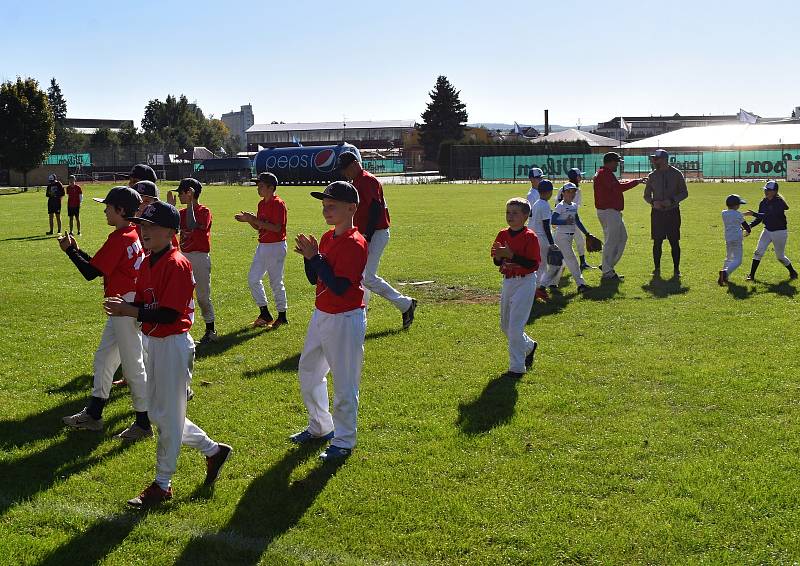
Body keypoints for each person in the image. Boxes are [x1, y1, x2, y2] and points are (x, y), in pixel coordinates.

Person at [103, 200, 232, 507]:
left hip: (172, 344)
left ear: (170, 232)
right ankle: (214, 451)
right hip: (155, 341)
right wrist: (132, 307)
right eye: (142, 226)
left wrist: (129, 309)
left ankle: (162, 484)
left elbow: (170, 313)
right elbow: (151, 305)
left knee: (169, 419)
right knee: (161, 414)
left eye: (151, 227)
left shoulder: (176, 263)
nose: (143, 231)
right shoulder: (150, 260)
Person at [57, 186, 151, 440]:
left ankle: (143, 423)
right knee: (104, 359)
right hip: (124, 303)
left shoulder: (121, 237)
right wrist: (76, 251)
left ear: (121, 210)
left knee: (133, 366)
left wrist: (69, 251)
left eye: (109, 207)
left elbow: (90, 273)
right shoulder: (131, 233)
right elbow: (100, 267)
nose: (105, 210)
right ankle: (94, 414)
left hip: (125, 306)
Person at [290, 181, 369, 462]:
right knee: (309, 372)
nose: (326, 210)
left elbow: (339, 286)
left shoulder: (356, 243)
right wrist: (308, 259)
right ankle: (321, 427)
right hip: (321, 314)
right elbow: (316, 278)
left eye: (332, 205)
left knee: (345, 383)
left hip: (345, 318)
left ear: (352, 208)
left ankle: (344, 441)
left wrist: (316, 258)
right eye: (324, 205)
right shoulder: (327, 238)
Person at [337, 151, 417, 329]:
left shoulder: (366, 180)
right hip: (368, 232)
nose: (344, 173)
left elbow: (375, 208)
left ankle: (405, 304)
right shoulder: (358, 181)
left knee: (367, 277)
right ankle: (360, 315)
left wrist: (367, 235)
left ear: (354, 164)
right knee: (361, 275)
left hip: (376, 233)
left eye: (345, 169)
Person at [491, 197, 541, 378]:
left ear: (526, 216)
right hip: (508, 281)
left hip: (525, 281)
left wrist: (511, 255)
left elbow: (532, 264)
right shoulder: (502, 234)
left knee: (515, 326)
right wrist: (499, 256)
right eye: (508, 213)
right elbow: (497, 262)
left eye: (515, 213)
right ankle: (529, 346)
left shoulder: (530, 237)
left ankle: (517, 367)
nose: (510, 216)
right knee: (505, 326)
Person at [235, 172, 288, 329]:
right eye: (258, 186)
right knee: (253, 279)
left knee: (275, 282)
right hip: (263, 245)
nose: (258, 188)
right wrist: (249, 221)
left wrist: (254, 220)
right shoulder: (261, 204)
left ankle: (282, 316)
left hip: (276, 246)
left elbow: (277, 228)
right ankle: (265, 313)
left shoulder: (278, 204)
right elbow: (259, 227)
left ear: (271, 188)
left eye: (262, 186)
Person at [168, 178, 217, 345]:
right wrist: (170, 209)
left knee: (203, 297)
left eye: (181, 193)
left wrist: (189, 203)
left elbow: (192, 223)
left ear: (190, 193)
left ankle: (211, 329)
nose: (179, 196)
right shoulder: (180, 212)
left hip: (200, 257)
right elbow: (169, 230)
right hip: (184, 257)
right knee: (181, 295)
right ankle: (182, 331)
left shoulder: (204, 211)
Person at [593, 152, 648, 281]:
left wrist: (636, 181)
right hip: (609, 211)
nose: (617, 164)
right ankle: (607, 271)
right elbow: (618, 188)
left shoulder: (604, 173)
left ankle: (607, 266)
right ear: (610, 162)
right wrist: (636, 182)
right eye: (616, 161)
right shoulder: (604, 173)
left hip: (610, 211)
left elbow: (616, 185)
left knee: (622, 237)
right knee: (611, 241)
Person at [643, 149, 689, 278]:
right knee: (657, 242)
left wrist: (672, 201)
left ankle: (676, 269)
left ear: (663, 160)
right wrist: (653, 202)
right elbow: (646, 195)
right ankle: (656, 269)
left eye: (656, 159)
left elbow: (684, 193)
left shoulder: (676, 174)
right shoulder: (652, 175)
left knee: (674, 241)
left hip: (672, 212)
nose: (654, 161)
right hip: (657, 213)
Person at [746, 180, 798, 281]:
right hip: (767, 230)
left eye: (768, 190)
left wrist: (753, 214)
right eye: (765, 189)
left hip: (779, 232)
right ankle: (751, 276)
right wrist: (750, 225)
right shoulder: (763, 202)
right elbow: (760, 218)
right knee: (758, 252)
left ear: (775, 191)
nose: (766, 192)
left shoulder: (779, 202)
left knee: (780, 256)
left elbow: (769, 215)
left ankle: (792, 272)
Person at [551, 183, 596, 292]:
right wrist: (564, 221)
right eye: (568, 191)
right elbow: (553, 220)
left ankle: (550, 284)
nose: (571, 194)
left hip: (569, 237)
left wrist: (587, 233)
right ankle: (581, 285)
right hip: (561, 237)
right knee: (573, 260)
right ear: (563, 193)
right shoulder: (560, 206)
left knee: (560, 263)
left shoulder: (574, 206)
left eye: (573, 191)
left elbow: (577, 221)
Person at [556, 168, 593, 270]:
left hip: (560, 218)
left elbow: (556, 204)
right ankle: (581, 262)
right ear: (576, 177)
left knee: (565, 242)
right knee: (578, 241)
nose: (581, 177)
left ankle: (562, 262)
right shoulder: (576, 191)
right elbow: (573, 209)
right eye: (580, 175)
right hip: (570, 219)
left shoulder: (562, 188)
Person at [529, 180, 557, 299]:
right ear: (548, 192)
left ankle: (536, 289)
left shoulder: (537, 203)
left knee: (539, 265)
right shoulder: (544, 204)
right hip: (542, 238)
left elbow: (531, 216)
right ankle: (539, 288)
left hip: (534, 237)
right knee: (548, 266)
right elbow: (546, 226)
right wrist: (552, 243)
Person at [718, 194, 752, 285]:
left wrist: (744, 214)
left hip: (728, 238)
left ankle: (724, 277)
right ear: (736, 205)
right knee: (738, 260)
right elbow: (746, 226)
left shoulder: (724, 213)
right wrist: (748, 231)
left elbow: (735, 215)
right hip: (737, 238)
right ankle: (725, 273)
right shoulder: (738, 215)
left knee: (728, 257)